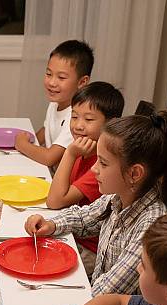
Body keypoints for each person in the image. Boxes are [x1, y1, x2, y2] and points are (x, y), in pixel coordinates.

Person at [25, 111, 167, 305]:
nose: (94, 170)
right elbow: (84, 217)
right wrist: (50, 224)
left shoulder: (151, 227)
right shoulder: (118, 196)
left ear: (134, 173)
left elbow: (105, 291)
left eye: (102, 163)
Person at [46, 81, 124, 276]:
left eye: (88, 119)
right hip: (71, 232)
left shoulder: (100, 163)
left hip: (89, 249)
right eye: (74, 117)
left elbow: (55, 201)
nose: (78, 125)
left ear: (111, 124)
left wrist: (70, 153)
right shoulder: (85, 147)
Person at [15, 39, 94, 169]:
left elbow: (49, 158)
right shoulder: (57, 102)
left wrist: (22, 144)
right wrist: (30, 139)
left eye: (61, 77)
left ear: (82, 82)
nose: (52, 82)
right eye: (48, 74)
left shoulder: (76, 118)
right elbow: (47, 130)